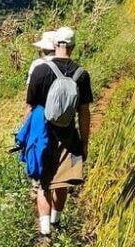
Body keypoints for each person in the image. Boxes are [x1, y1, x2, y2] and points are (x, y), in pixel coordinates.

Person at [26, 26, 93, 235]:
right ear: (72, 46)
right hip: (68, 133)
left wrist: (27, 138)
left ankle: (45, 232)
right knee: (61, 181)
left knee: (43, 184)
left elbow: (30, 108)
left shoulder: (40, 71)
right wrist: (84, 142)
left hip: (43, 135)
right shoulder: (81, 75)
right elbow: (84, 112)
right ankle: (57, 222)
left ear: (54, 45)